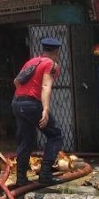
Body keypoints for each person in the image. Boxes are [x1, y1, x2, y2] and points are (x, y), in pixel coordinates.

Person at [12, 37, 64, 187]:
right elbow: (46, 86)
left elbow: (16, 81)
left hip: (17, 102)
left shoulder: (32, 62)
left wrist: (23, 97)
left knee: (26, 140)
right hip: (32, 104)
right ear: (56, 51)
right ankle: (45, 175)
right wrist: (46, 109)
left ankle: (21, 179)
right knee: (55, 136)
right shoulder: (51, 64)